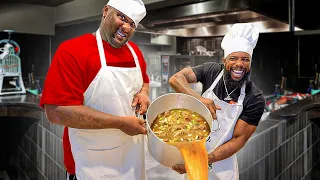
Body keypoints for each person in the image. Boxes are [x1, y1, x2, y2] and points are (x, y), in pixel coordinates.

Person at [40, 0, 151, 179]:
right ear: (106, 11)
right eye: (121, 17)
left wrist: (144, 93)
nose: (126, 27)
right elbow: (56, 112)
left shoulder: (135, 52)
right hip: (90, 163)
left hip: (132, 162)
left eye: (132, 24)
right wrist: (120, 123)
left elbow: (144, 81)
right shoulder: (72, 51)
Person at [169, 23, 265, 179]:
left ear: (250, 62)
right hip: (193, 151)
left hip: (222, 166)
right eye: (233, 58)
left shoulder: (254, 97)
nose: (239, 64)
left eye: (245, 59)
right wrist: (199, 99)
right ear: (224, 60)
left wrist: (201, 160)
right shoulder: (211, 71)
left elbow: (238, 139)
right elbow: (176, 79)